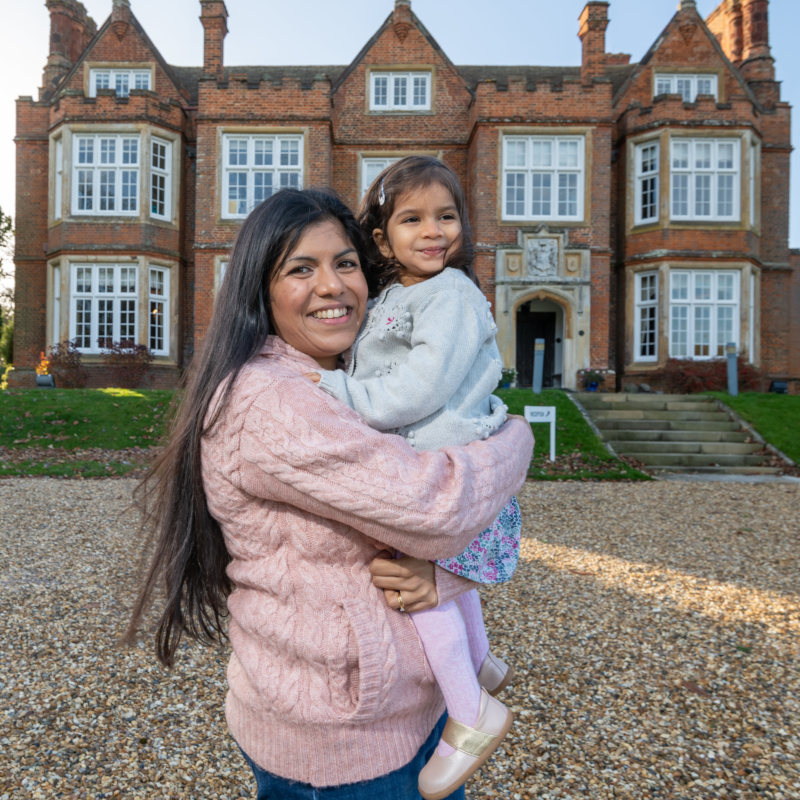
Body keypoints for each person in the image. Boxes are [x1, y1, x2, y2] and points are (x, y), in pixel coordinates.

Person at [125, 187, 533, 800]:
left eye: (345, 263)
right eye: (300, 269)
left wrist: (445, 578)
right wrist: (517, 439)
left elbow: (386, 551)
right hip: (343, 750)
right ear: (258, 290)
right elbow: (436, 506)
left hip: (406, 711)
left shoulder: (342, 378)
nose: (332, 285)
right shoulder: (273, 400)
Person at [308, 156, 520, 799]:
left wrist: (342, 394)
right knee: (446, 585)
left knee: (419, 592)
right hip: (432, 452)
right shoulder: (405, 294)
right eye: (413, 219)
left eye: (447, 216)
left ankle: (470, 711)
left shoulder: (450, 293)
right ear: (382, 238)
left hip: (439, 460)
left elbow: (421, 388)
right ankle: (481, 663)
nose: (434, 232)